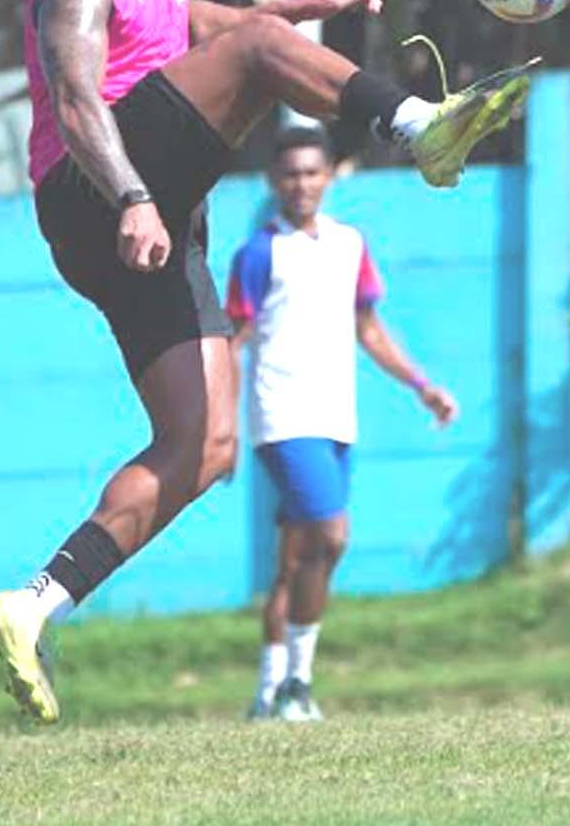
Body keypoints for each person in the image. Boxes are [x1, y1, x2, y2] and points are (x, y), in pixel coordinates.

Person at [0, 0, 532, 724]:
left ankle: (33, 603)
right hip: (99, 190)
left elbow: (189, 22)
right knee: (265, 54)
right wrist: (134, 196)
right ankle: (420, 127)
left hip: (152, 212)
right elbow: (78, 106)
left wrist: (297, 5)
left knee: (206, 447)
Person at [228, 128, 460, 723]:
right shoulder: (258, 254)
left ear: (331, 174)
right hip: (281, 416)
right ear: (271, 182)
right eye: (289, 174)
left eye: (311, 172)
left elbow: (370, 331)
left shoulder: (349, 244)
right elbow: (232, 345)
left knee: (295, 558)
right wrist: (219, 428)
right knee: (331, 538)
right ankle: (298, 688)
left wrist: (422, 385)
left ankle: (268, 691)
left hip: (335, 416)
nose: (301, 184)